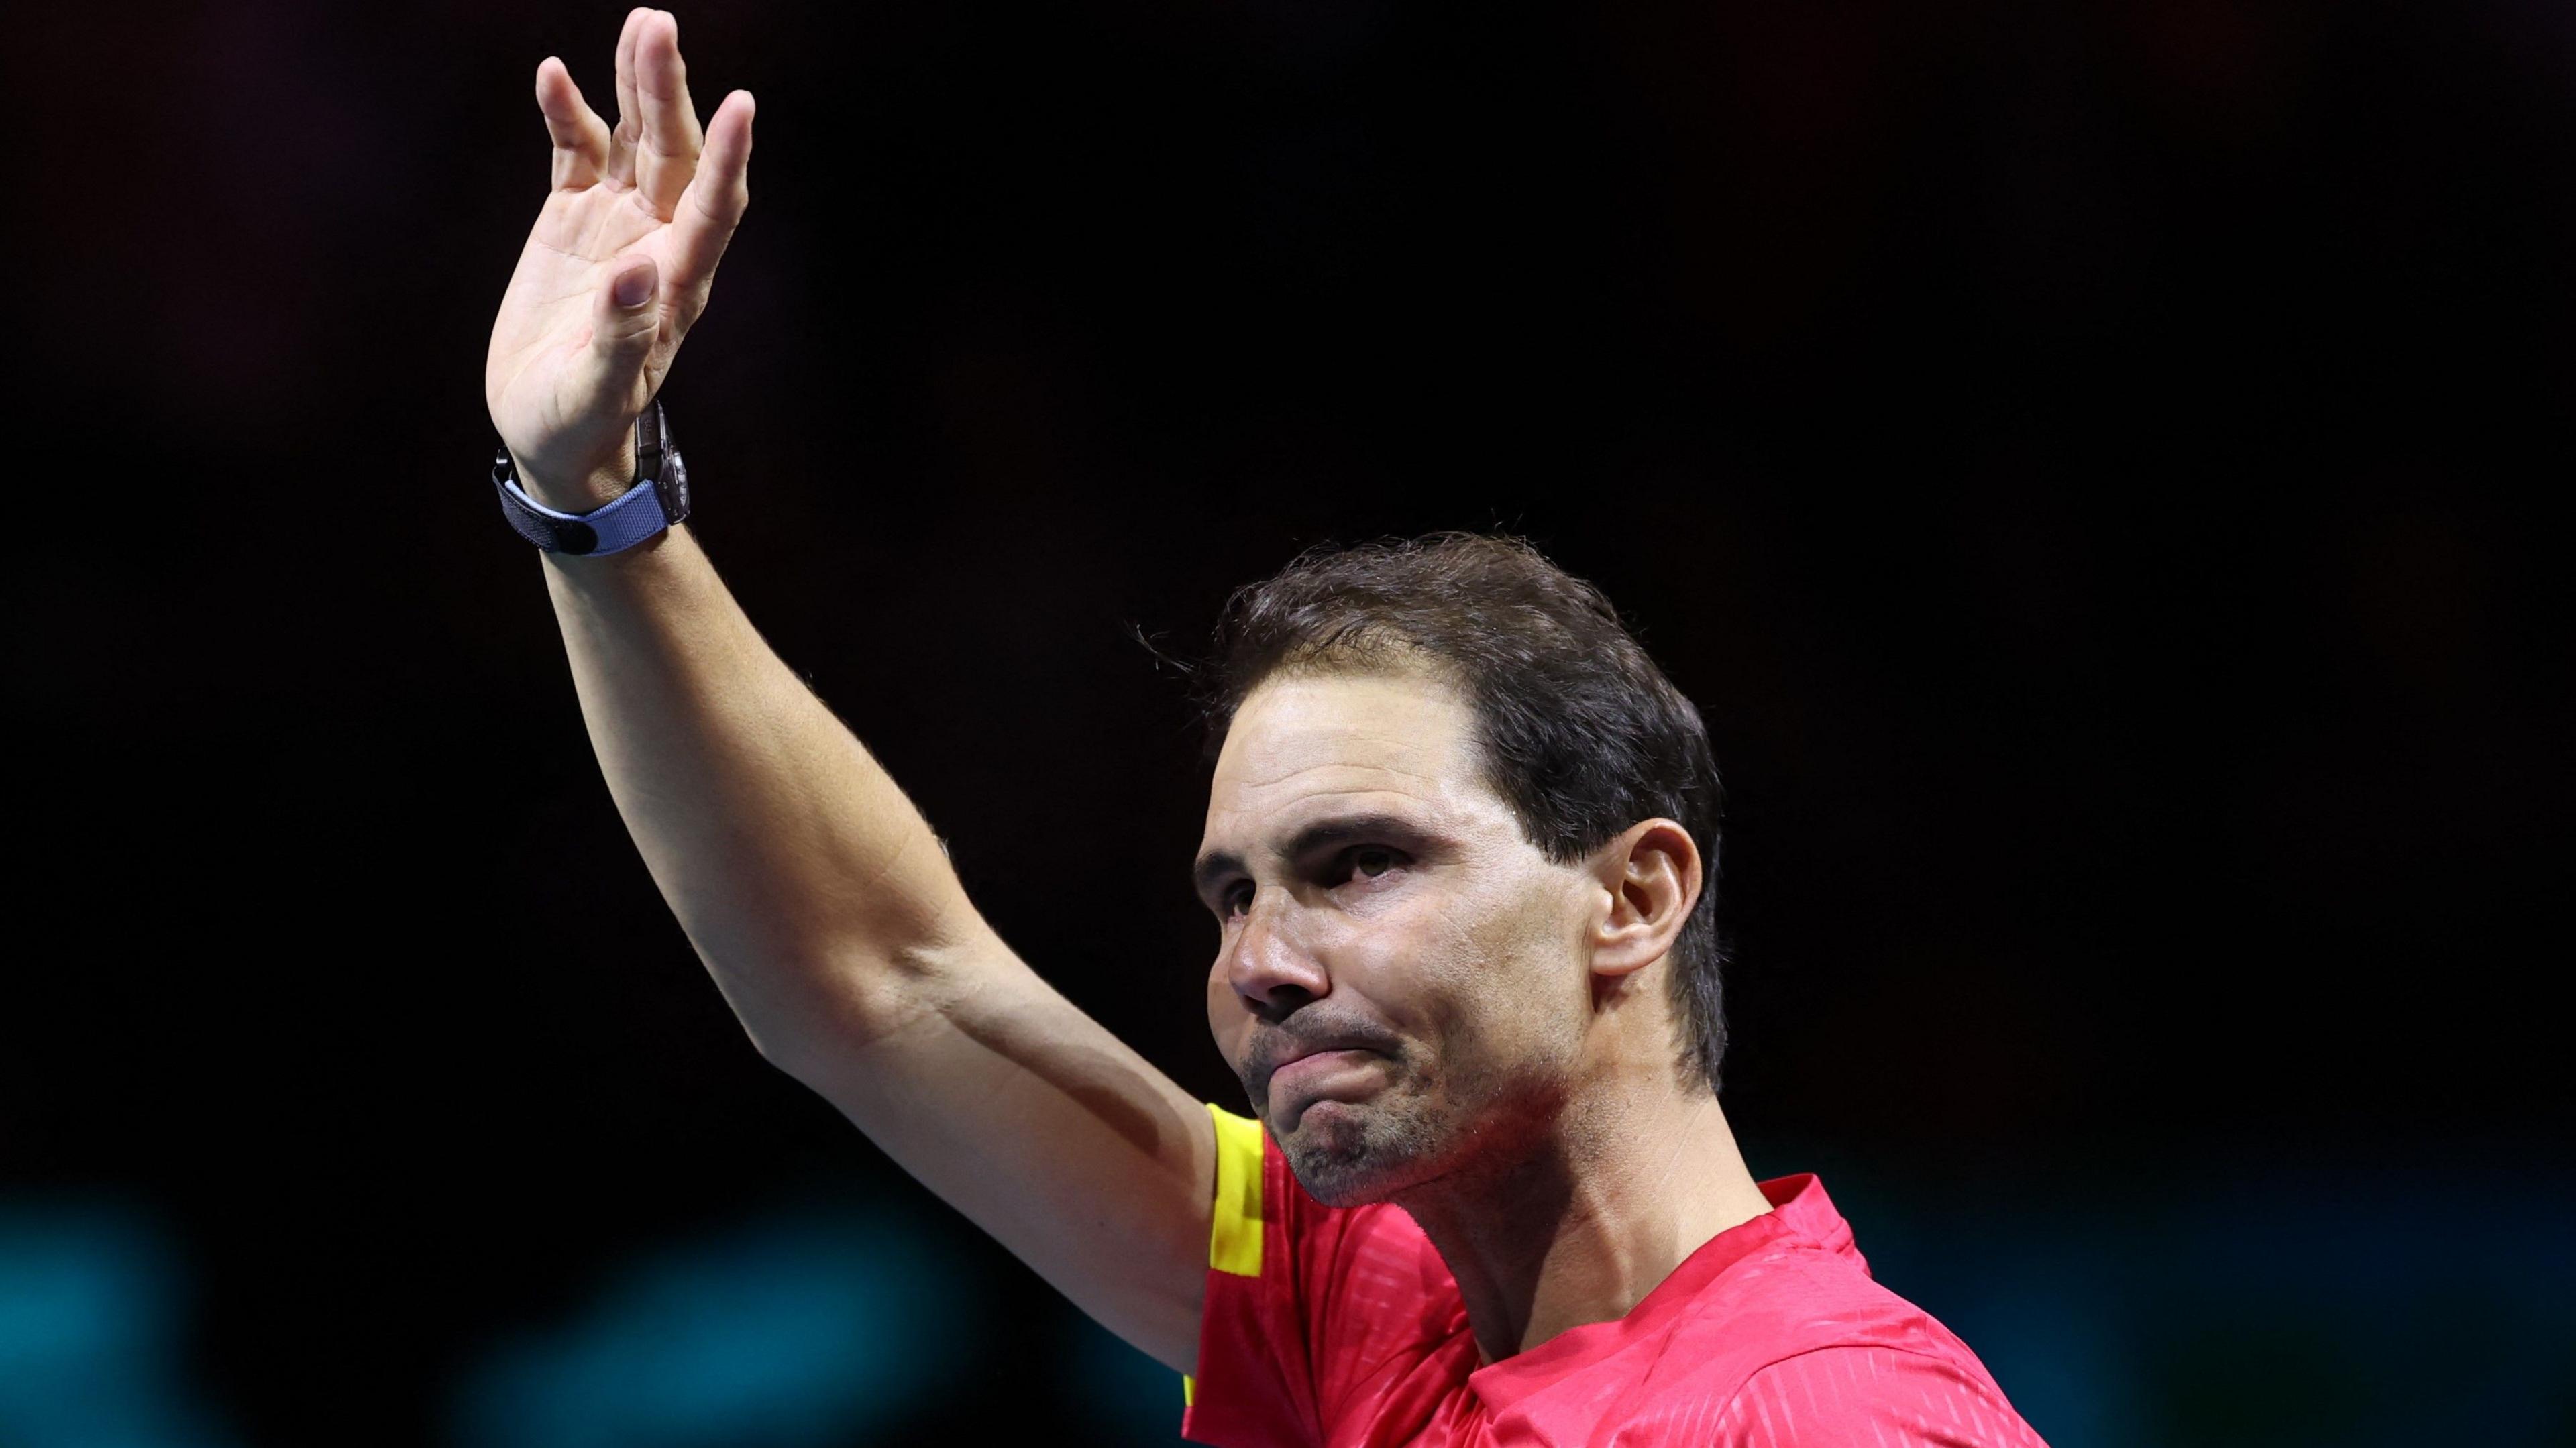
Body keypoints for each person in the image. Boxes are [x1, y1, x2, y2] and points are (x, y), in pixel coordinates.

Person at [483, 11, 2053, 1445]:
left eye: (1362, 862)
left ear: (1634, 896)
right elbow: (884, 982)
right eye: (1232, 895)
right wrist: (591, 504)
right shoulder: (1362, 1308)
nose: (1260, 966)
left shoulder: (1828, 1417)